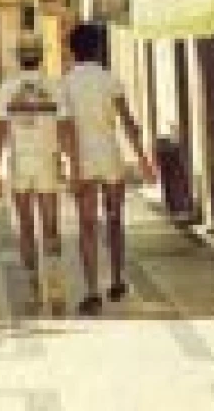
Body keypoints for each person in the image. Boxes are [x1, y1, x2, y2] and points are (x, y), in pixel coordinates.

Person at [59, 20, 157, 314]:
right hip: (110, 155)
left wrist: (74, 167)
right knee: (115, 219)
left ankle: (92, 291)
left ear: (72, 50)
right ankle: (116, 280)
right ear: (98, 48)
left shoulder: (65, 84)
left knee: (87, 226)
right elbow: (128, 123)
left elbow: (66, 128)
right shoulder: (110, 79)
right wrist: (143, 160)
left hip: (83, 158)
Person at [0, 29, 72, 314]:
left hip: (20, 163)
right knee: (51, 225)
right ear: (41, 56)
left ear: (18, 57)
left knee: (25, 227)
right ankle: (56, 287)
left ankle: (33, 288)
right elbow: (65, 129)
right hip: (48, 160)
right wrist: (73, 164)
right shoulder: (55, 87)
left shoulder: (6, 89)